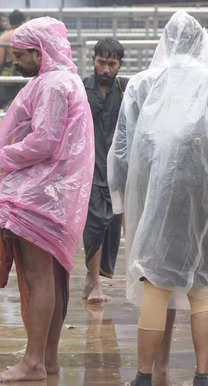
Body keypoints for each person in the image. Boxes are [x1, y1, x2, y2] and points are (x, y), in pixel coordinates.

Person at [107, 12, 208, 386]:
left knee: (155, 280)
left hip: (153, 199)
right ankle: (202, 375)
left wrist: (123, 205)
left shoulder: (141, 86)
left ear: (165, 41)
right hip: (203, 200)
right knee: (202, 286)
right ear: (200, 43)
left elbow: (120, 152)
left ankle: (145, 375)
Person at [0, 17, 94, 383]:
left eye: (19, 56)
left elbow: (45, 142)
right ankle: (47, 360)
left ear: (39, 52)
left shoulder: (53, 84)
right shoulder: (63, 80)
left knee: (39, 280)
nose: (14, 62)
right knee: (52, 278)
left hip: (41, 196)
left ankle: (33, 362)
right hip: (54, 194)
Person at [81, 38, 126, 304]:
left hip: (116, 168)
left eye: (112, 64)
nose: (106, 70)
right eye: (101, 63)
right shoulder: (82, 87)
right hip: (88, 166)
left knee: (111, 225)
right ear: (93, 61)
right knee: (94, 223)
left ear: (120, 65)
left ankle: (94, 276)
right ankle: (93, 279)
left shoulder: (126, 90)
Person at [0, 10, 27, 109]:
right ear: (23, 21)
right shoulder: (28, 35)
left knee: (10, 107)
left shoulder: (4, 37)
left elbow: (0, 61)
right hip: (28, 70)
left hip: (10, 73)